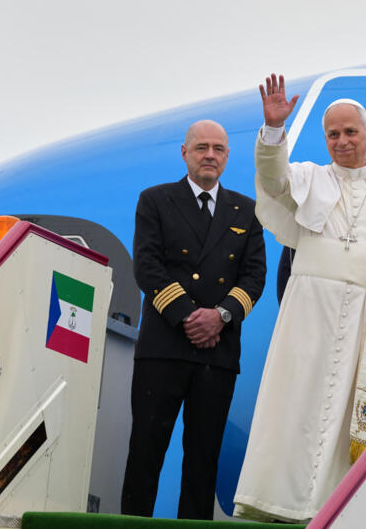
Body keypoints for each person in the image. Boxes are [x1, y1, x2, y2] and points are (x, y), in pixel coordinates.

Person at [233, 75, 366, 523]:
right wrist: (271, 132)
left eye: (350, 132)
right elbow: (272, 177)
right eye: (333, 134)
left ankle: (348, 506)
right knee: (298, 403)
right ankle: (282, 503)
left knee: (359, 417)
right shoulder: (307, 178)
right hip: (310, 317)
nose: (342, 141)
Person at [121, 120, 266, 519]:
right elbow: (147, 266)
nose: (210, 155)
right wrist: (188, 316)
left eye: (218, 149)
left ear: (227, 157)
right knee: (146, 451)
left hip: (217, 352)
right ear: (184, 153)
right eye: (201, 147)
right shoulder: (155, 200)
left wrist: (219, 317)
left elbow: (255, 278)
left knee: (203, 459)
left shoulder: (247, 210)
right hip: (164, 347)